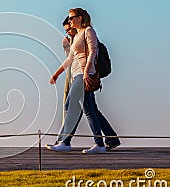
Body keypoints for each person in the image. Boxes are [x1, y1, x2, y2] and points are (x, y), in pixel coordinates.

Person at [48, 8, 120, 154]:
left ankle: (66, 142)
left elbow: (93, 51)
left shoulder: (88, 31)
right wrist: (56, 74)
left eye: (71, 18)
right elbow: (70, 59)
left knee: (72, 105)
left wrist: (87, 71)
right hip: (77, 75)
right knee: (89, 109)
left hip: (84, 74)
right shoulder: (78, 35)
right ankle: (100, 142)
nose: (69, 21)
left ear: (80, 18)